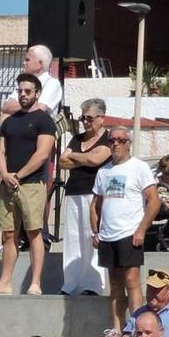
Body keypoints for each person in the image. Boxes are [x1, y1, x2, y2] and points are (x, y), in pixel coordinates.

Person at [0, 73, 56, 296]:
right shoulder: (9, 121)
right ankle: (4, 282)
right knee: (9, 234)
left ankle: (35, 282)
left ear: (37, 93)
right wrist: (5, 174)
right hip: (8, 185)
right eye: (20, 91)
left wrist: (18, 175)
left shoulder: (44, 120)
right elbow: (0, 151)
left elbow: (42, 153)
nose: (23, 95)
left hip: (32, 185)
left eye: (28, 91)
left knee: (34, 232)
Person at [91, 128, 159, 336]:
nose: (116, 144)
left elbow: (154, 201)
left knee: (132, 280)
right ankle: (117, 328)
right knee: (115, 284)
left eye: (121, 140)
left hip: (130, 232)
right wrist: (95, 232)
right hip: (108, 235)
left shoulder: (139, 167)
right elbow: (95, 204)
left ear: (128, 143)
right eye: (112, 140)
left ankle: (137, 327)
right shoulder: (103, 171)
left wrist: (141, 230)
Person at [57, 100, 111, 298]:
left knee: (92, 236)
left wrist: (78, 158)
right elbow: (62, 161)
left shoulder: (107, 138)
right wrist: (85, 157)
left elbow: (97, 159)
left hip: (94, 193)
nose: (86, 122)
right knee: (73, 239)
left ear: (101, 118)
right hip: (74, 191)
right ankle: (71, 283)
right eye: (83, 118)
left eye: (89, 118)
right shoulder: (77, 138)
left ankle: (94, 284)